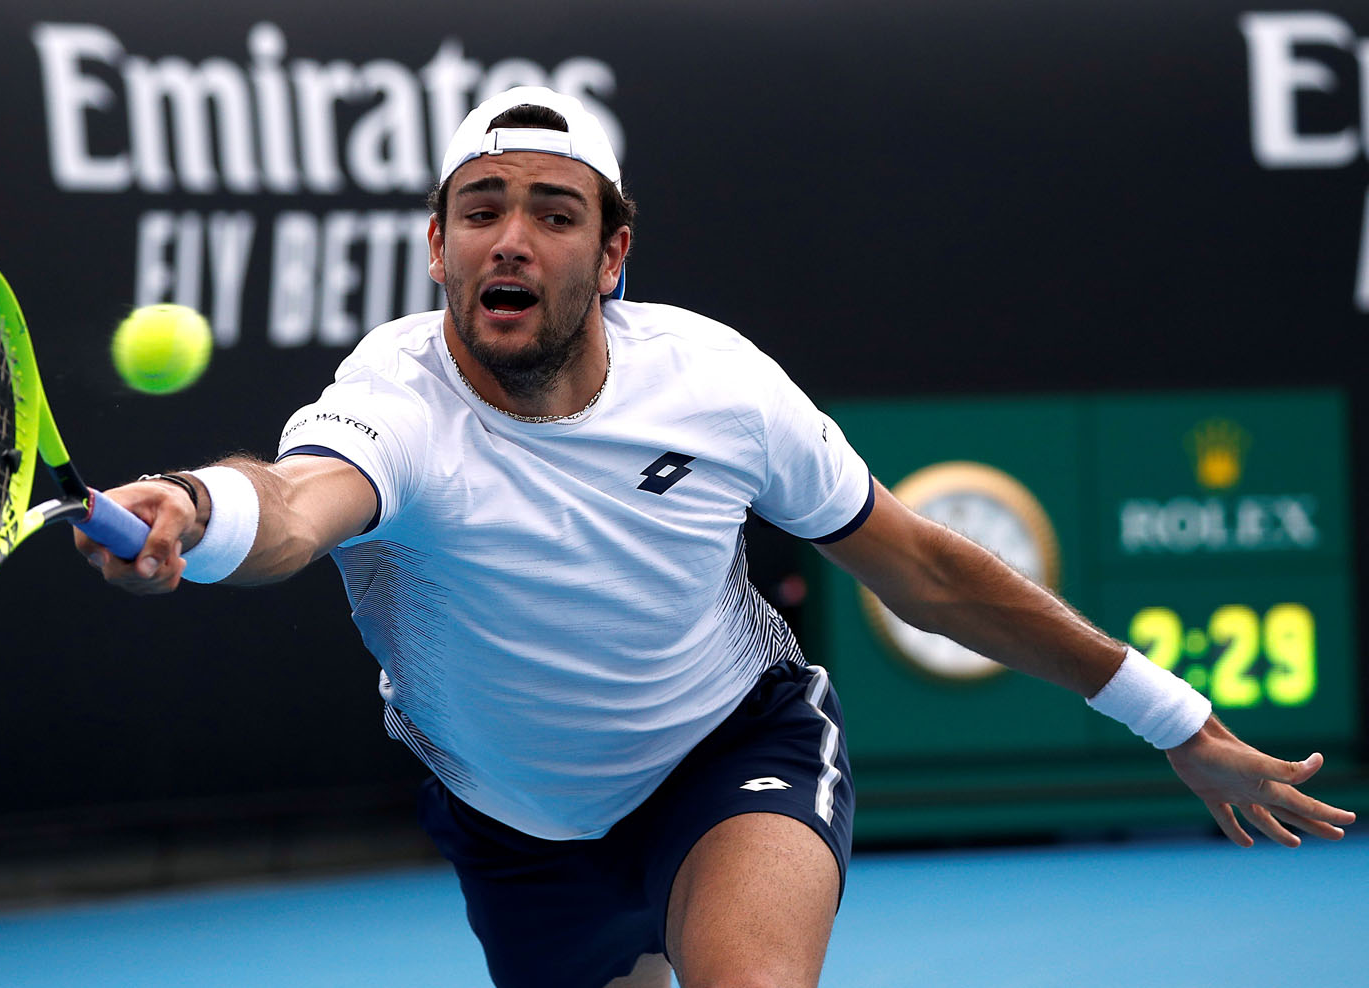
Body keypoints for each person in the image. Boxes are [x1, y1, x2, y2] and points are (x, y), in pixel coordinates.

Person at [79, 86, 1355, 988]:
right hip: (515, 826)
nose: (512, 237)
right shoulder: (394, 397)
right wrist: (195, 505)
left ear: (612, 253)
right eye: (480, 209)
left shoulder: (718, 386)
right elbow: (296, 504)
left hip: (730, 753)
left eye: (555, 212)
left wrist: (1172, 718)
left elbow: (924, 568)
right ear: (437, 245)